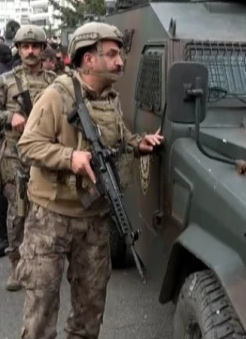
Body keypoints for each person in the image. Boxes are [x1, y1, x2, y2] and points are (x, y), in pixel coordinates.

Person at [18, 21, 163, 338]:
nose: (119, 61)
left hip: (94, 219)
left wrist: (139, 144)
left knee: (90, 310)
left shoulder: (109, 98)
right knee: (41, 311)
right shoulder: (56, 97)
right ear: (88, 59)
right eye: (111, 54)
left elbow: (118, 139)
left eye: (119, 55)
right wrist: (71, 158)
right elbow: (28, 145)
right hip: (51, 218)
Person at [0, 25, 55, 291]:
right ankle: (17, 265)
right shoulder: (4, 81)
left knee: (46, 210)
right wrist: (9, 117)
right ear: (19, 48)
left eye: (35, 46)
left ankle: (41, 263)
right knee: (18, 211)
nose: (31, 51)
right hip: (15, 153)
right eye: (25, 46)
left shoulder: (54, 81)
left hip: (46, 152)